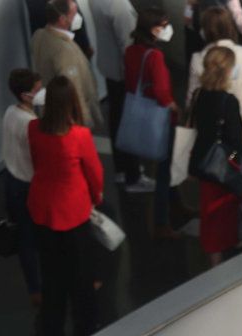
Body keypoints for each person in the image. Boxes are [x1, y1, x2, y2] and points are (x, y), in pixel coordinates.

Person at [27, 76, 103, 336]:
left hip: (43, 210)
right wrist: (96, 197)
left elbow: (37, 163)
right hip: (73, 212)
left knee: (52, 274)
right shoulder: (79, 136)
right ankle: (85, 326)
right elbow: (95, 173)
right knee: (81, 276)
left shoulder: (34, 129)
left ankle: (51, 329)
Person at [124, 7, 183, 238]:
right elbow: (161, 91)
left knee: (166, 164)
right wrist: (174, 106)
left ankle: (176, 203)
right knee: (165, 168)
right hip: (161, 117)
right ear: (153, 29)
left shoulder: (131, 51)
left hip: (142, 113)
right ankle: (161, 222)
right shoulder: (155, 56)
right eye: (164, 25)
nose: (167, 30)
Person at [189, 46, 242, 266]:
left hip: (203, 162)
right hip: (224, 164)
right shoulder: (228, 101)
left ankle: (214, 257)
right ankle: (226, 247)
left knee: (208, 213)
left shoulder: (198, 95)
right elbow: (238, 137)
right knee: (226, 212)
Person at [89, 0, 142, 188]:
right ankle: (133, 174)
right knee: (129, 122)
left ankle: (121, 168)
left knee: (116, 117)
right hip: (123, 73)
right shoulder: (119, 6)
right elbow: (128, 47)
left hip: (109, 67)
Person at [3, 69, 43, 306]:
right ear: (27, 95)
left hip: (11, 180)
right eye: (38, 89)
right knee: (30, 239)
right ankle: (37, 287)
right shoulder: (30, 123)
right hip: (27, 184)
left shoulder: (10, 112)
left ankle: (34, 287)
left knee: (24, 237)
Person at [31, 0, 102, 128]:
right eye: (74, 14)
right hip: (70, 120)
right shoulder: (63, 50)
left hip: (51, 112)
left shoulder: (39, 36)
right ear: (63, 19)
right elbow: (73, 90)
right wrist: (84, 121)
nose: (78, 18)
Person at [187, 6, 242, 126]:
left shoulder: (198, 58)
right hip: (241, 120)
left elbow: (192, 97)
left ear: (205, 30)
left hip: (207, 123)